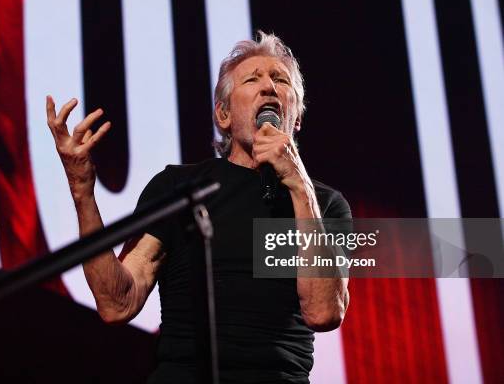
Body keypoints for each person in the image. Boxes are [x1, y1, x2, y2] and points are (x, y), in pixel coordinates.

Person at [46, 31, 351, 383]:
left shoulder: (325, 205)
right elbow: (118, 302)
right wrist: (82, 191)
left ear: (295, 119)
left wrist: (299, 185)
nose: (268, 87)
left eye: (280, 80)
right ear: (223, 114)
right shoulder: (181, 188)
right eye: (253, 79)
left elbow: (325, 312)